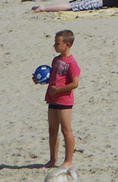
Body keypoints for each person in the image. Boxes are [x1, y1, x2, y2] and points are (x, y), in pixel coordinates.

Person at [43, 28, 79, 171]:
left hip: (64, 101)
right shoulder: (56, 60)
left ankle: (68, 160)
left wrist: (58, 90)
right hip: (52, 99)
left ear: (67, 45)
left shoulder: (71, 63)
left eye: (57, 43)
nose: (55, 46)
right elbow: (54, 77)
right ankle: (53, 159)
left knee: (66, 130)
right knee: (52, 130)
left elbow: (74, 83)